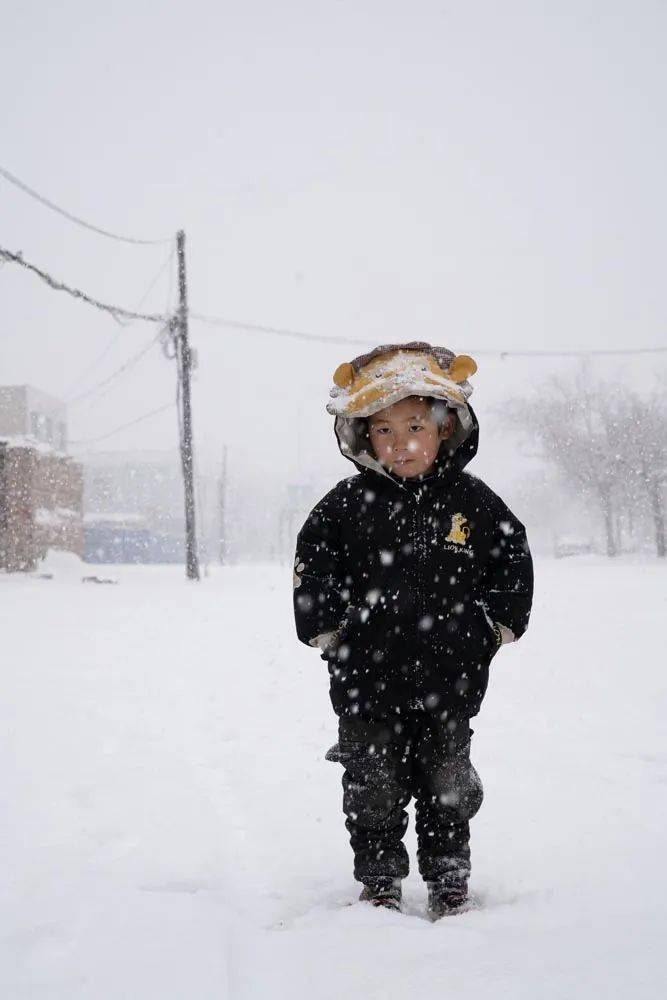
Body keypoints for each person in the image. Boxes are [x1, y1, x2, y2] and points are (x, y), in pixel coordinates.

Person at [293, 342, 533, 919]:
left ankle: (448, 875)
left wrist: (493, 625)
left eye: (415, 425)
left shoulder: (471, 504)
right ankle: (379, 879)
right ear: (362, 437)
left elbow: (512, 558)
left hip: (449, 683)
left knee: (447, 784)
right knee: (372, 787)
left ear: (446, 429)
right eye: (383, 430)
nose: (400, 443)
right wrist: (330, 628)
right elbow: (314, 564)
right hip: (366, 685)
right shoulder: (346, 507)